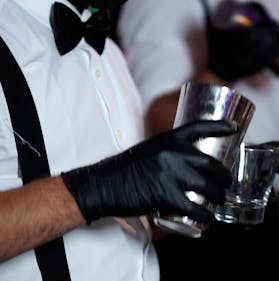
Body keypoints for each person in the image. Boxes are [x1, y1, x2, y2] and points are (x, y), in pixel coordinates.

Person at [0, 0, 239, 280]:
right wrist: (96, 189)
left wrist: (205, 188)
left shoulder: (110, 53)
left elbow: (133, 224)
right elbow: (113, 187)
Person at [117, 0, 279, 279]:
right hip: (199, 218)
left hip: (265, 209)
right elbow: (161, 117)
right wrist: (222, 71)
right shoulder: (158, 5)